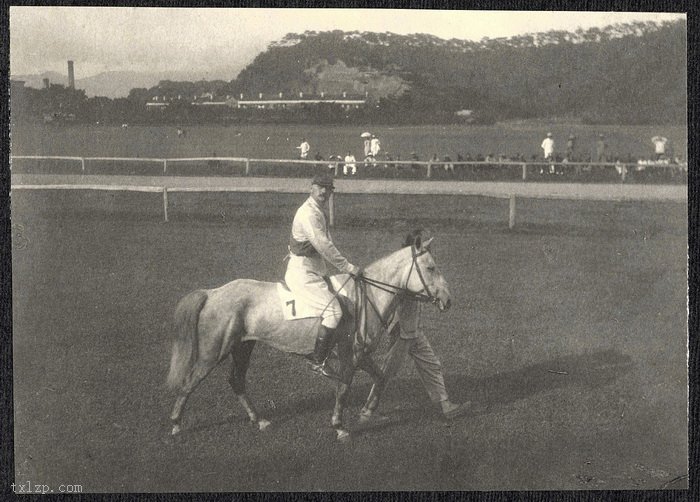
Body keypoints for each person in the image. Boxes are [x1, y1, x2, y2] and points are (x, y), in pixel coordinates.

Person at [359, 229, 475, 422]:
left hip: (413, 331)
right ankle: (367, 412)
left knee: (431, 364)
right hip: (402, 333)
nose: (429, 248)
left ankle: (446, 405)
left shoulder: (413, 266)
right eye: (425, 245)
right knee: (387, 373)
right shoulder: (407, 270)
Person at [285, 174, 361, 380]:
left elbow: (325, 244)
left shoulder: (317, 211)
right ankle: (317, 360)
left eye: (328, 189)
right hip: (302, 273)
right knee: (334, 312)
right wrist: (348, 267)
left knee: (340, 300)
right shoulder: (308, 213)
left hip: (316, 270)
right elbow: (323, 245)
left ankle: (327, 344)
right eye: (320, 187)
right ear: (311, 187)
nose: (324, 192)